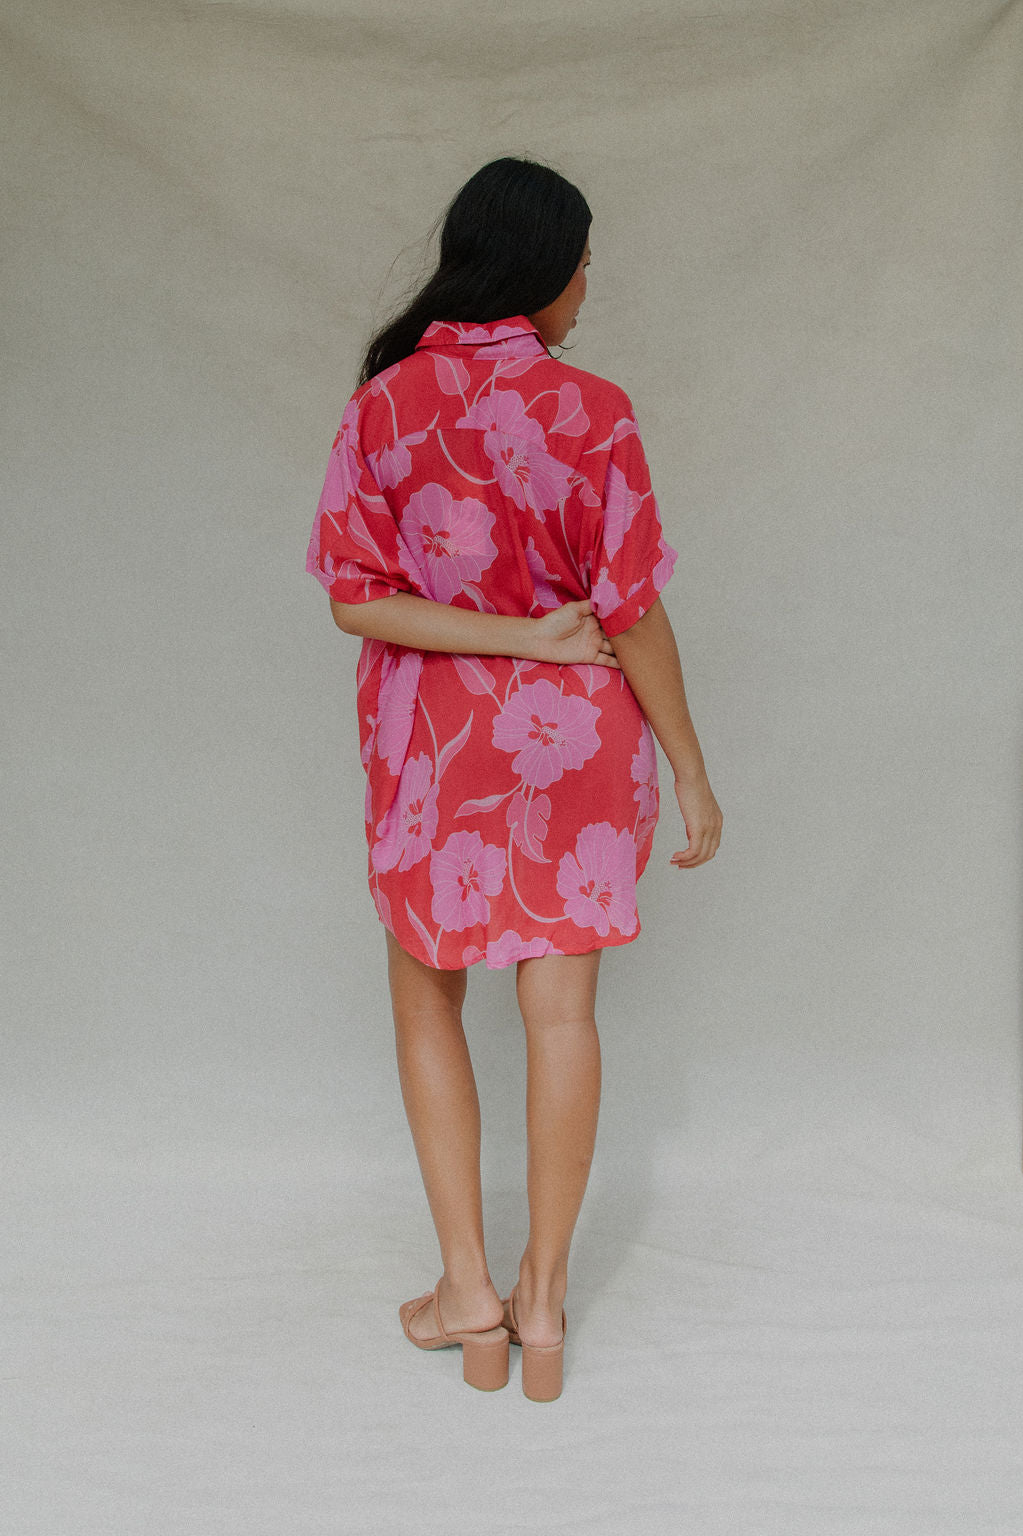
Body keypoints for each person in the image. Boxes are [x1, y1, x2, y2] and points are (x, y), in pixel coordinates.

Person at [305, 156, 722, 1400]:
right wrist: (693, 772)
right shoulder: (594, 409)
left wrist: (491, 638)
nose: (589, 284)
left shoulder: (386, 402)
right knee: (563, 1018)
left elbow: (355, 599)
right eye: (584, 260)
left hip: (434, 746)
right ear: (541, 267)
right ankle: (542, 1306)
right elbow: (634, 613)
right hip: (576, 742)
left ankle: (467, 1292)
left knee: (427, 1002)